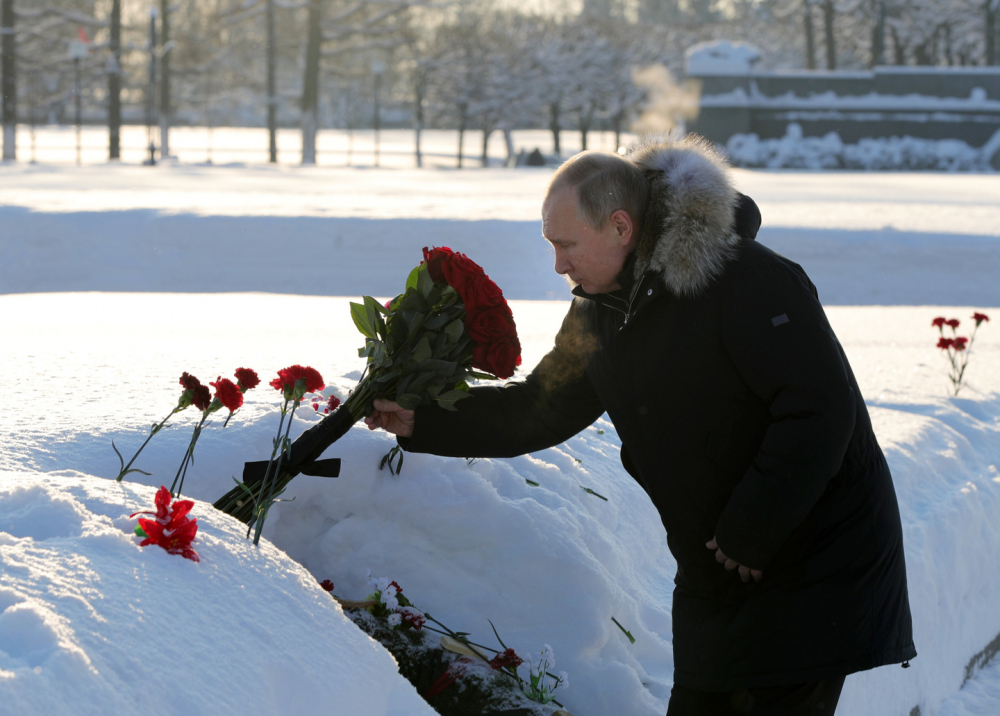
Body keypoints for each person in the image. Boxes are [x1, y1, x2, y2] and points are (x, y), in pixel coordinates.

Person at [364, 136, 916, 715]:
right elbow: (542, 406)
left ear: (621, 227)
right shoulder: (600, 307)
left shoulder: (748, 279)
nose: (559, 264)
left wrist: (751, 530)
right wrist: (421, 421)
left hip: (809, 558)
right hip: (718, 565)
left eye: (567, 244)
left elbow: (819, 409)